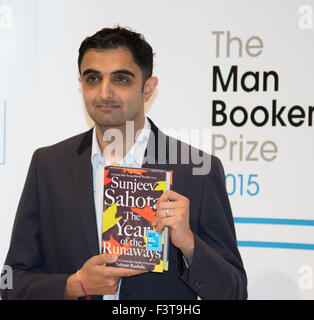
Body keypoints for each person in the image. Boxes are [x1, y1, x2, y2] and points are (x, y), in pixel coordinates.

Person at [0, 26, 247, 300]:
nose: (104, 93)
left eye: (121, 79)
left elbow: (234, 292)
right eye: (92, 78)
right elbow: (10, 284)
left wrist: (189, 244)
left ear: (148, 89)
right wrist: (74, 285)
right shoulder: (48, 166)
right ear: (81, 84)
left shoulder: (197, 170)